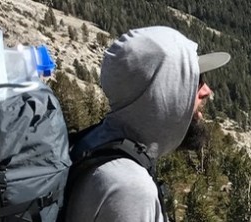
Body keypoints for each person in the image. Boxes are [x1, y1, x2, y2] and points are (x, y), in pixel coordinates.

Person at [65, 26, 231, 222]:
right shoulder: (129, 188)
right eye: (196, 80)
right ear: (164, 93)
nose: (207, 91)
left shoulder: (96, 142)